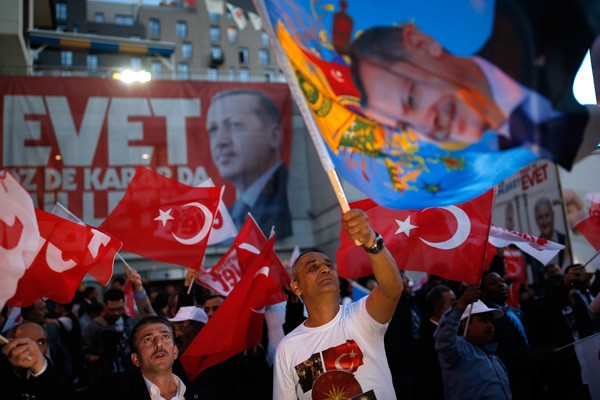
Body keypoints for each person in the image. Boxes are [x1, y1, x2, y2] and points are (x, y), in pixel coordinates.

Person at [349, 15, 599, 170]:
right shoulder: (519, 146)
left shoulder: (536, 20)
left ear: (422, 44)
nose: (426, 128)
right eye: (405, 126)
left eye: (411, 99)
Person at [273, 209, 403, 399]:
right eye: (313, 267)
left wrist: (370, 241)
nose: (325, 269)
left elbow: (392, 289)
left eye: (329, 265)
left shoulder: (361, 317)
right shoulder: (287, 348)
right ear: (296, 286)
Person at [206, 88, 292, 238]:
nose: (220, 141)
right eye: (213, 129)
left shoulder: (290, 197)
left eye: (234, 125)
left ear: (274, 136)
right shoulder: (230, 216)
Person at [434, 285, 511, 400]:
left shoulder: (494, 357)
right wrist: (462, 302)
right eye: (483, 320)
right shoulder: (458, 351)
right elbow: (444, 338)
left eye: (490, 320)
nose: (490, 325)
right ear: (465, 325)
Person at [95, 316, 185, 400]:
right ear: (136, 359)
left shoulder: (195, 390)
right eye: (148, 339)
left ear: (175, 351)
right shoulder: (113, 392)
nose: (158, 344)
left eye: (165, 336)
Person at [0, 322, 75, 399]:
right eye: (27, 342)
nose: (35, 348)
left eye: (41, 342)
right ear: (10, 345)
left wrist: (40, 368)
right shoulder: (4, 373)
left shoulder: (60, 369)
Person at [82, 288, 137, 389]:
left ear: (124, 305)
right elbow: (85, 353)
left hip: (130, 372)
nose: (116, 313)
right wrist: (100, 358)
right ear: (105, 307)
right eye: (112, 310)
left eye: (119, 309)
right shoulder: (94, 326)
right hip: (105, 376)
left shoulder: (130, 322)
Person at [412, 284, 456, 400]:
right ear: (438, 308)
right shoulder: (426, 338)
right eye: (452, 303)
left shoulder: (456, 332)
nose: (457, 307)